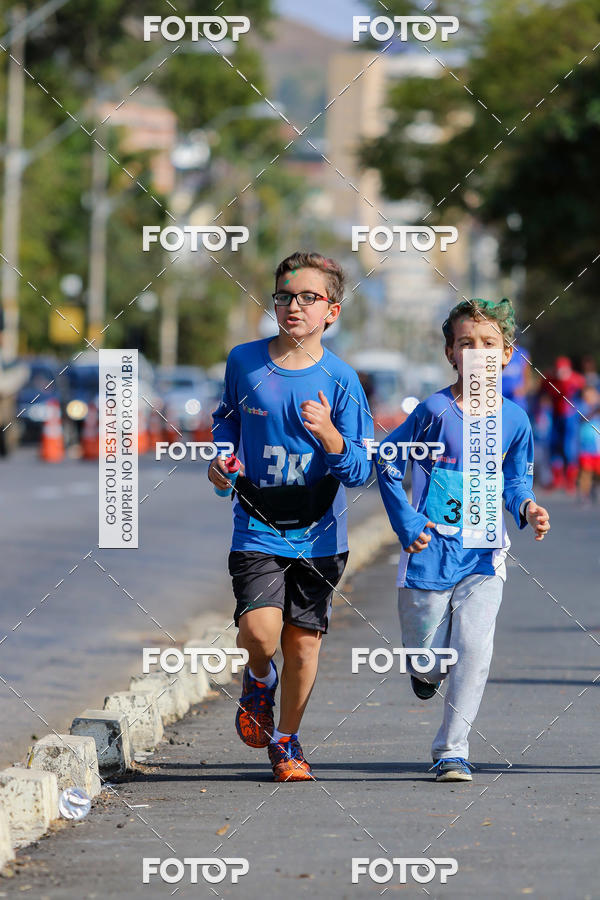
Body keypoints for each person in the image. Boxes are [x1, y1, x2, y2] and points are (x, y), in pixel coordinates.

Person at [209, 251, 373, 782]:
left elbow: (360, 469)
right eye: (285, 296)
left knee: (302, 647)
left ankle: (287, 741)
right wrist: (223, 463)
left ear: (333, 311)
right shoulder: (244, 361)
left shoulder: (343, 379)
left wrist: (329, 434)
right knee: (260, 633)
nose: (294, 306)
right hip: (257, 523)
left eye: (309, 297)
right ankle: (259, 678)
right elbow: (225, 423)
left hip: (321, 532)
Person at [376, 297, 550, 782]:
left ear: (507, 354)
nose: (478, 352)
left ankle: (452, 749)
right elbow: (387, 461)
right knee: (428, 658)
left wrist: (527, 509)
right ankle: (423, 674)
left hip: (483, 555)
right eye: (466, 343)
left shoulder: (515, 420)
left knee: (473, 648)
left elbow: (515, 483)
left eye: (489, 344)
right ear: (450, 352)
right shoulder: (433, 410)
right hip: (428, 554)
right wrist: (407, 523)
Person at [543, 356, 586, 492]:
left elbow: (585, 393)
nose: (561, 374)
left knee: (569, 447)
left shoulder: (576, 379)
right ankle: (557, 478)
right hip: (555, 416)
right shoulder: (550, 379)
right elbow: (542, 391)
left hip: (570, 417)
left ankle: (571, 480)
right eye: (558, 370)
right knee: (554, 445)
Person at [578, 386, 600, 503]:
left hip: (597, 448)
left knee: (597, 473)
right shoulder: (582, 407)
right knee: (586, 471)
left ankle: (593, 489)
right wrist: (594, 410)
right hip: (586, 447)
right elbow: (584, 417)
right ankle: (584, 494)